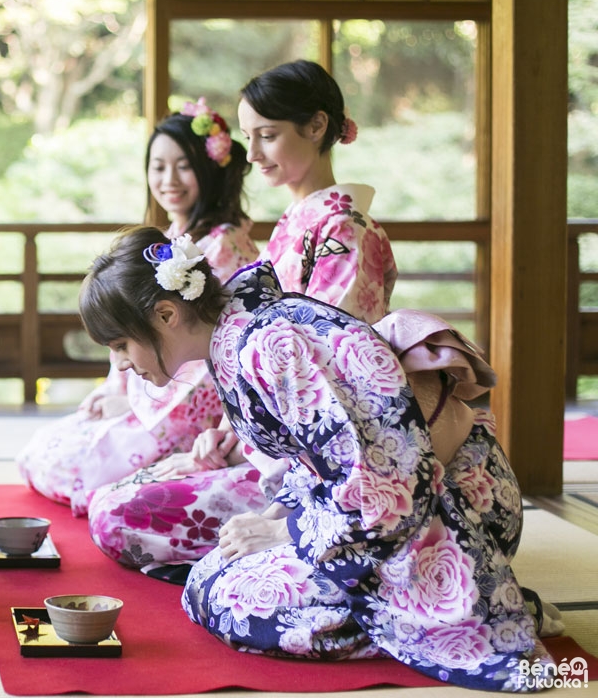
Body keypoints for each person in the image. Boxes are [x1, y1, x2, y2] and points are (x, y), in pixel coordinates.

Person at [78, 226, 555, 691]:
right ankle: (429, 608)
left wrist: (283, 531)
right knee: (210, 578)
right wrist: (274, 516)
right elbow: (322, 458)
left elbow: (386, 477)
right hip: (384, 502)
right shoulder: (238, 337)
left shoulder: (271, 343)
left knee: (228, 600)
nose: (121, 363)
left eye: (121, 345)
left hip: (448, 504)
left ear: (166, 314)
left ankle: (465, 608)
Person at [87, 59, 397, 574]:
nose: (251, 154)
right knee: (111, 498)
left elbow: (331, 377)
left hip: (314, 460)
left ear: (318, 126)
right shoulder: (296, 225)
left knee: (118, 516)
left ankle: (282, 548)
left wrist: (246, 437)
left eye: (267, 136)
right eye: (248, 137)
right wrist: (232, 425)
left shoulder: (345, 232)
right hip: (266, 435)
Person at [15, 98, 264, 517]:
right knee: (37, 452)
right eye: (158, 166)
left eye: (183, 166)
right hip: (150, 385)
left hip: (184, 407)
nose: (169, 179)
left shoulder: (225, 246)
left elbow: (201, 347)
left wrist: (134, 403)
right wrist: (115, 389)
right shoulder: (171, 236)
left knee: (70, 471)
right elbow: (132, 327)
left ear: (210, 169)